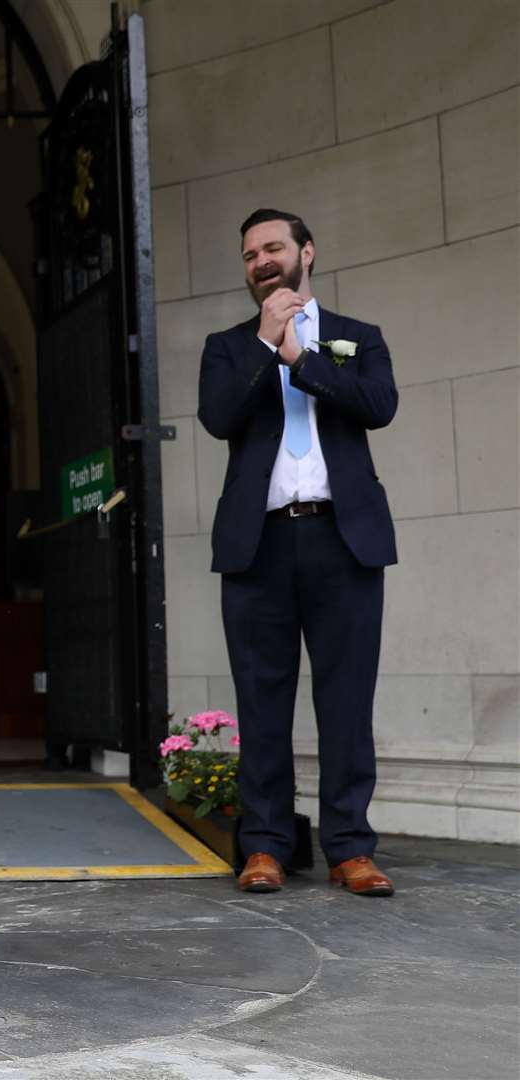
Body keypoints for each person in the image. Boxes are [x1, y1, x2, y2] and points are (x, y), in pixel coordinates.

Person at [197, 209, 398, 898]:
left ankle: (350, 848)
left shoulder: (357, 338)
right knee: (261, 701)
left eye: (273, 248)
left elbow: (378, 405)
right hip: (259, 547)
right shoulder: (227, 346)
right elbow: (219, 416)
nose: (261, 262)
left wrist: (301, 361)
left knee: (347, 700)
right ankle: (265, 845)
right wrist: (263, 344)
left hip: (344, 542)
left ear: (306, 253)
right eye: (250, 253)